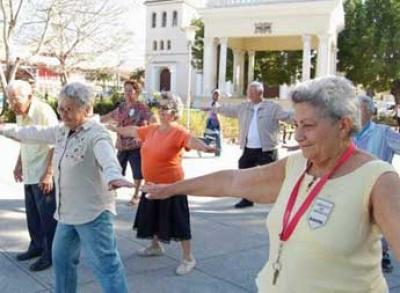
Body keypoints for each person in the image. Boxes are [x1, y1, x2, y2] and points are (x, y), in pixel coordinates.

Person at [143, 76, 400, 292]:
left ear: (343, 125)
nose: (298, 135)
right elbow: (233, 180)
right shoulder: (296, 165)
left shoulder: (378, 179)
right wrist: (171, 190)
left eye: (308, 125)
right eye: (297, 124)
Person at [0, 82, 132, 293]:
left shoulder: (97, 134)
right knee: (61, 261)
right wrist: (4, 129)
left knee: (107, 266)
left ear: (86, 109)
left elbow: (107, 158)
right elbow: (32, 132)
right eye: (61, 108)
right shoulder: (62, 131)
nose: (63, 113)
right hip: (66, 215)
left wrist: (114, 176)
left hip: (93, 215)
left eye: (69, 109)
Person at [107, 92, 216, 276]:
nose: (161, 111)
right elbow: (133, 130)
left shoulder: (178, 131)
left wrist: (205, 148)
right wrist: (115, 129)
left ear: (174, 112)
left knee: (179, 223)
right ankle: (155, 246)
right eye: (160, 107)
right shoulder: (153, 129)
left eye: (166, 108)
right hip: (151, 184)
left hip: (172, 186)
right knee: (152, 217)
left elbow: (192, 141)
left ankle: (188, 258)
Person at [211, 81, 292, 208]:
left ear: (259, 93)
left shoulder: (272, 107)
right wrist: (214, 106)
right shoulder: (244, 107)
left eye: (250, 91)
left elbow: (287, 116)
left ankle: (282, 201)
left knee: (274, 177)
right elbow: (227, 110)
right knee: (244, 174)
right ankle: (247, 199)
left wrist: (304, 118)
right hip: (249, 149)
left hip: (267, 149)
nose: (248, 93)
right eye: (248, 91)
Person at [6, 80, 58, 272]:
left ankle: (50, 254)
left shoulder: (43, 111)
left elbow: (56, 142)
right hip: (29, 171)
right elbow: (24, 138)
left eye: (16, 99)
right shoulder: (21, 113)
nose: (12, 104)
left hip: (43, 173)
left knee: (47, 218)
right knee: (33, 215)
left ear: (29, 96)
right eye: (10, 100)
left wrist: (49, 173)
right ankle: (36, 246)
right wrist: (18, 164)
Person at [355, 95, 400, 273]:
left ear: (368, 112)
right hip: (351, 185)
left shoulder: (383, 132)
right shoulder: (345, 132)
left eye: (357, 109)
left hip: (378, 185)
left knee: (378, 221)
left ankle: (381, 254)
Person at [101, 80, 154, 206]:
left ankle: (136, 195)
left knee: (137, 172)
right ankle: (110, 195)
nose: (127, 93)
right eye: (125, 91)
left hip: (136, 145)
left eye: (130, 90)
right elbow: (109, 116)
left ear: (136, 92)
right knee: (116, 169)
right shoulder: (122, 107)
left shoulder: (142, 108)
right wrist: (93, 120)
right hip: (122, 145)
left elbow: (153, 120)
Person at [202, 89, 222, 156]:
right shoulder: (213, 104)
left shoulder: (217, 104)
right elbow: (214, 113)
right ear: (213, 96)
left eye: (218, 95)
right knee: (216, 136)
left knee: (211, 138)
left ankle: (217, 152)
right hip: (211, 123)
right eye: (215, 95)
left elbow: (207, 109)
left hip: (213, 123)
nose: (217, 97)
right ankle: (218, 152)